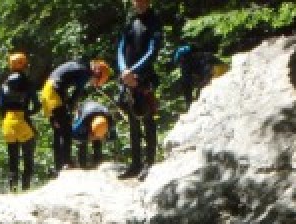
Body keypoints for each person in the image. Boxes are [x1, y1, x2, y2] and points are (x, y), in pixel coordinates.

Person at [116, 0, 162, 180]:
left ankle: (149, 163)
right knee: (133, 122)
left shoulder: (154, 22)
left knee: (148, 119)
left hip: (144, 77)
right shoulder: (130, 21)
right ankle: (135, 164)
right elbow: (121, 47)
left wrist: (133, 71)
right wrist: (124, 70)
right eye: (137, 1)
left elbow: (152, 51)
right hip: (128, 78)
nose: (140, 4)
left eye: (143, 1)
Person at [40, 59, 112, 173]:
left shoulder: (80, 65)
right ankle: (67, 163)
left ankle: (59, 166)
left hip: (47, 92)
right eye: (96, 81)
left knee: (58, 131)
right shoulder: (86, 72)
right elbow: (77, 92)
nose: (94, 83)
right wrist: (70, 106)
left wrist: (68, 104)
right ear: (97, 73)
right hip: (54, 93)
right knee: (66, 131)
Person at [0, 52, 40, 191]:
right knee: (28, 156)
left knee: (13, 158)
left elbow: (1, 107)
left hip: (7, 122)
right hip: (22, 120)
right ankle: (26, 188)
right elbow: (37, 105)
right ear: (25, 65)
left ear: (11, 65)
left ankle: (13, 189)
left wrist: (3, 122)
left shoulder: (5, 84)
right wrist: (29, 113)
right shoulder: (28, 83)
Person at [171, 45, 226, 110]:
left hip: (213, 74)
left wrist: (189, 103)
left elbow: (186, 83)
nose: (180, 65)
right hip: (224, 70)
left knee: (200, 95)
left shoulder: (186, 63)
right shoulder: (203, 55)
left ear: (182, 58)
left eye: (179, 63)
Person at [71, 101, 116, 169]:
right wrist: (86, 137)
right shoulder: (83, 122)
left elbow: (113, 137)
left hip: (99, 112)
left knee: (97, 142)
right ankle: (82, 165)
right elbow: (72, 134)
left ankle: (97, 163)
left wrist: (105, 138)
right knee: (82, 142)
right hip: (84, 110)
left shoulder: (110, 122)